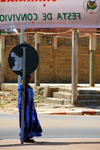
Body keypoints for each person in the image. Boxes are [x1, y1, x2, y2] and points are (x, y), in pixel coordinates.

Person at [18, 74, 42, 142]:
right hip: (24, 108)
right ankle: (22, 136)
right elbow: (21, 94)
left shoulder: (29, 87)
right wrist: (22, 91)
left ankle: (28, 136)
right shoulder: (21, 86)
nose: (27, 80)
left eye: (28, 78)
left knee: (31, 121)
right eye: (26, 78)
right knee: (24, 122)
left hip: (31, 108)